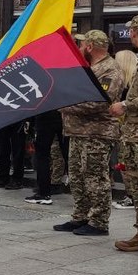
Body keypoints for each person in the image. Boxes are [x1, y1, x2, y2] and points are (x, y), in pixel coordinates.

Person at [55, 30, 124, 236]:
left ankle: (99, 222)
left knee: (95, 177)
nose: (79, 48)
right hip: (78, 132)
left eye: (81, 44)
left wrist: (63, 105)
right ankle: (81, 216)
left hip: (98, 133)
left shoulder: (110, 70)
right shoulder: (89, 69)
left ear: (90, 47)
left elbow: (98, 103)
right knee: (77, 176)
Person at [112, 16, 138, 250]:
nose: (130, 35)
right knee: (135, 185)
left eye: (132, 31)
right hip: (133, 133)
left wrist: (125, 105)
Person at [112, 49, 138, 210]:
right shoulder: (132, 82)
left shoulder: (123, 85)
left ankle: (131, 196)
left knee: (125, 162)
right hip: (130, 127)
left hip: (126, 128)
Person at [0, 122, 26, 190]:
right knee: (3, 148)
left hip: (18, 117)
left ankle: (17, 179)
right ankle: (3, 177)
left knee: (18, 149)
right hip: (2, 118)